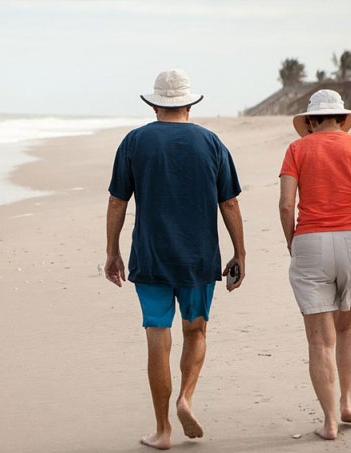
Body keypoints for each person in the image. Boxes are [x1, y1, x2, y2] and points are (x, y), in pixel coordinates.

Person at [105, 69, 245, 450]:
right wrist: (240, 253)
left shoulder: (134, 142)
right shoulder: (211, 143)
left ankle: (163, 429)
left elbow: (118, 200)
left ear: (154, 104)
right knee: (195, 331)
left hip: (150, 257)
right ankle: (186, 397)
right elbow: (228, 202)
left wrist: (112, 251)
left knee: (157, 335)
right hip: (199, 259)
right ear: (189, 104)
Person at [279, 89, 351, 440]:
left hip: (310, 241)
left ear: (310, 121)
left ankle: (328, 422)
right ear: (342, 118)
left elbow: (285, 204)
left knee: (319, 341)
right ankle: (348, 403)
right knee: (349, 327)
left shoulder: (297, 149)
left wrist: (293, 242)